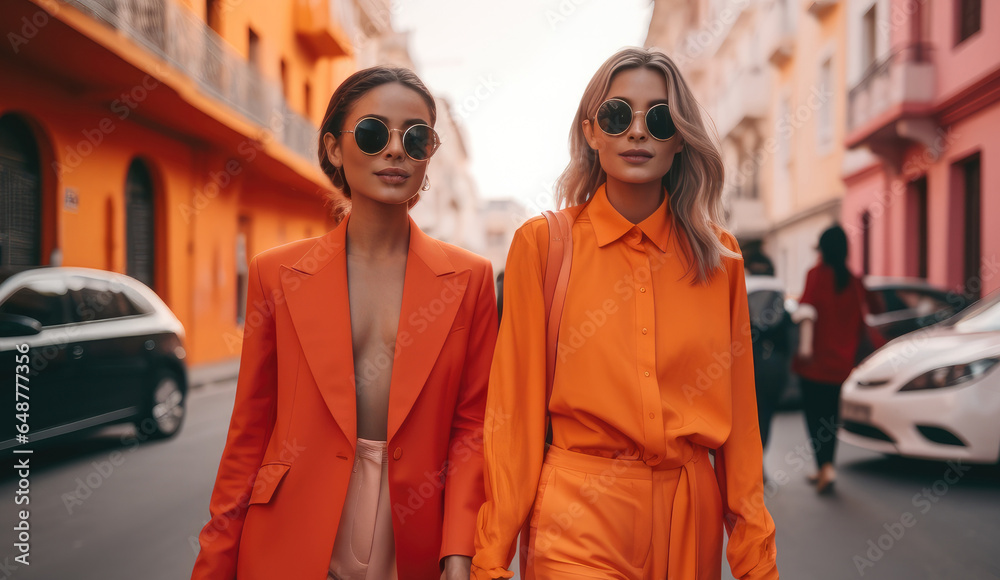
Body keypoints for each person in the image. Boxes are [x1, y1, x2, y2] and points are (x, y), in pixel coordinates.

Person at [471, 47, 778, 580]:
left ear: (680, 138)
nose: (637, 132)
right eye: (618, 116)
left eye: (658, 119)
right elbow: (513, 415)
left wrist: (757, 561)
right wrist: (491, 557)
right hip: (578, 514)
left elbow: (742, 428)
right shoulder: (543, 245)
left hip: (690, 517)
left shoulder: (719, 258)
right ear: (592, 132)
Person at [190, 66, 498, 580]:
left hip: (418, 533)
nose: (396, 150)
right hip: (290, 533)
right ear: (334, 148)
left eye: (416, 138)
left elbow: (472, 429)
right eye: (375, 132)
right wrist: (214, 564)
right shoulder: (276, 273)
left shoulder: (471, 278)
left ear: (429, 154)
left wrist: (460, 550)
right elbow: (248, 434)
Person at [791, 224, 867, 495]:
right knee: (831, 418)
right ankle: (826, 466)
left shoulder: (816, 274)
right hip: (841, 364)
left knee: (814, 417)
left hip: (815, 363)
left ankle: (824, 466)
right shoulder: (854, 280)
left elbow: (806, 312)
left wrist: (805, 348)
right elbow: (862, 320)